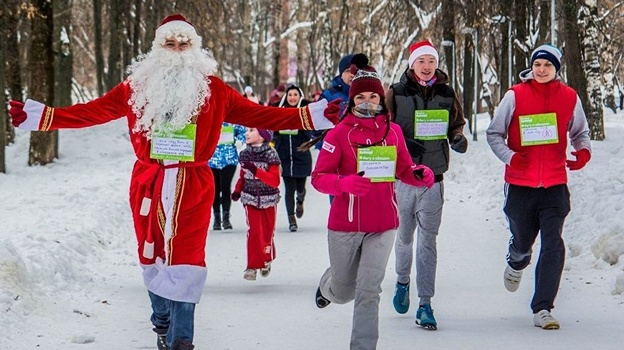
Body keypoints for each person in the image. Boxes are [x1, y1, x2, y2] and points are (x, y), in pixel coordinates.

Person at [7, 14, 338, 350]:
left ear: (194, 48)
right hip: (148, 183)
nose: (178, 50)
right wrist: (41, 117)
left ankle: (182, 340)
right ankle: (161, 318)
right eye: (170, 43)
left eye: (184, 44)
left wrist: (313, 115)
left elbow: (262, 115)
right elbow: (91, 112)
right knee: (151, 257)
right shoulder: (135, 88)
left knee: (187, 259)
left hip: (193, 184)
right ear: (158, 47)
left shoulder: (214, 90)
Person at [311, 53, 434, 350]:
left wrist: (418, 174)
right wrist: (344, 183)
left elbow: (404, 168)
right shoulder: (339, 133)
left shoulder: (392, 132)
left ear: (381, 99)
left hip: (383, 224)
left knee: (368, 290)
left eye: (373, 97)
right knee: (343, 291)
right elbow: (318, 177)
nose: (368, 102)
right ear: (353, 101)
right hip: (345, 225)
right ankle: (329, 284)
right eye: (361, 97)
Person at [486, 44, 591, 330]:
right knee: (523, 239)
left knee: (553, 242)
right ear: (531, 67)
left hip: (555, 184)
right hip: (520, 185)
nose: (541, 70)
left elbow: (581, 131)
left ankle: (543, 307)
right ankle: (517, 257)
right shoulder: (515, 95)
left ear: (557, 68)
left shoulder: (569, 97)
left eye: (547, 65)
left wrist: (583, 152)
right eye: (537, 65)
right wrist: (510, 157)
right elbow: (494, 132)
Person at [386, 40, 467, 330]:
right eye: (421, 61)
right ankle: (402, 281)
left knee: (428, 242)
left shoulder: (446, 92)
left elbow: (456, 122)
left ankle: (425, 304)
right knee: (405, 238)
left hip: (434, 177)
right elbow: (385, 127)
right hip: (404, 178)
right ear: (412, 64)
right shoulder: (395, 92)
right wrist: (402, 144)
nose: (426, 66)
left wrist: (456, 138)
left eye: (431, 61)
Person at [231, 128, 280, 280]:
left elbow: (274, 180)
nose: (246, 134)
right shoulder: (244, 154)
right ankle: (251, 267)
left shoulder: (270, 154)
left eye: (251, 130)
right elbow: (243, 175)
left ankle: (266, 259)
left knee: (267, 232)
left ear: (262, 136)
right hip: (250, 197)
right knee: (254, 231)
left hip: (268, 198)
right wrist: (238, 190)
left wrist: (256, 170)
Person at [273, 84, 312, 232]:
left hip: (301, 154)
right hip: (284, 156)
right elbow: (274, 130)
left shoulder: (304, 112)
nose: (292, 97)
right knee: (289, 188)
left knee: (300, 187)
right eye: (290, 95)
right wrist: (275, 142)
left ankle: (300, 199)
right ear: (286, 97)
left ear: (300, 96)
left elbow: (311, 131)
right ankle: (291, 219)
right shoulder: (280, 111)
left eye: (295, 94)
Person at [209, 122, 246, 230]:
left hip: (229, 159)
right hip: (212, 159)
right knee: (215, 189)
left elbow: (242, 131)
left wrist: (239, 140)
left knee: (226, 187)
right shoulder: (211, 118)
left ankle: (226, 218)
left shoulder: (233, 118)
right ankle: (216, 218)